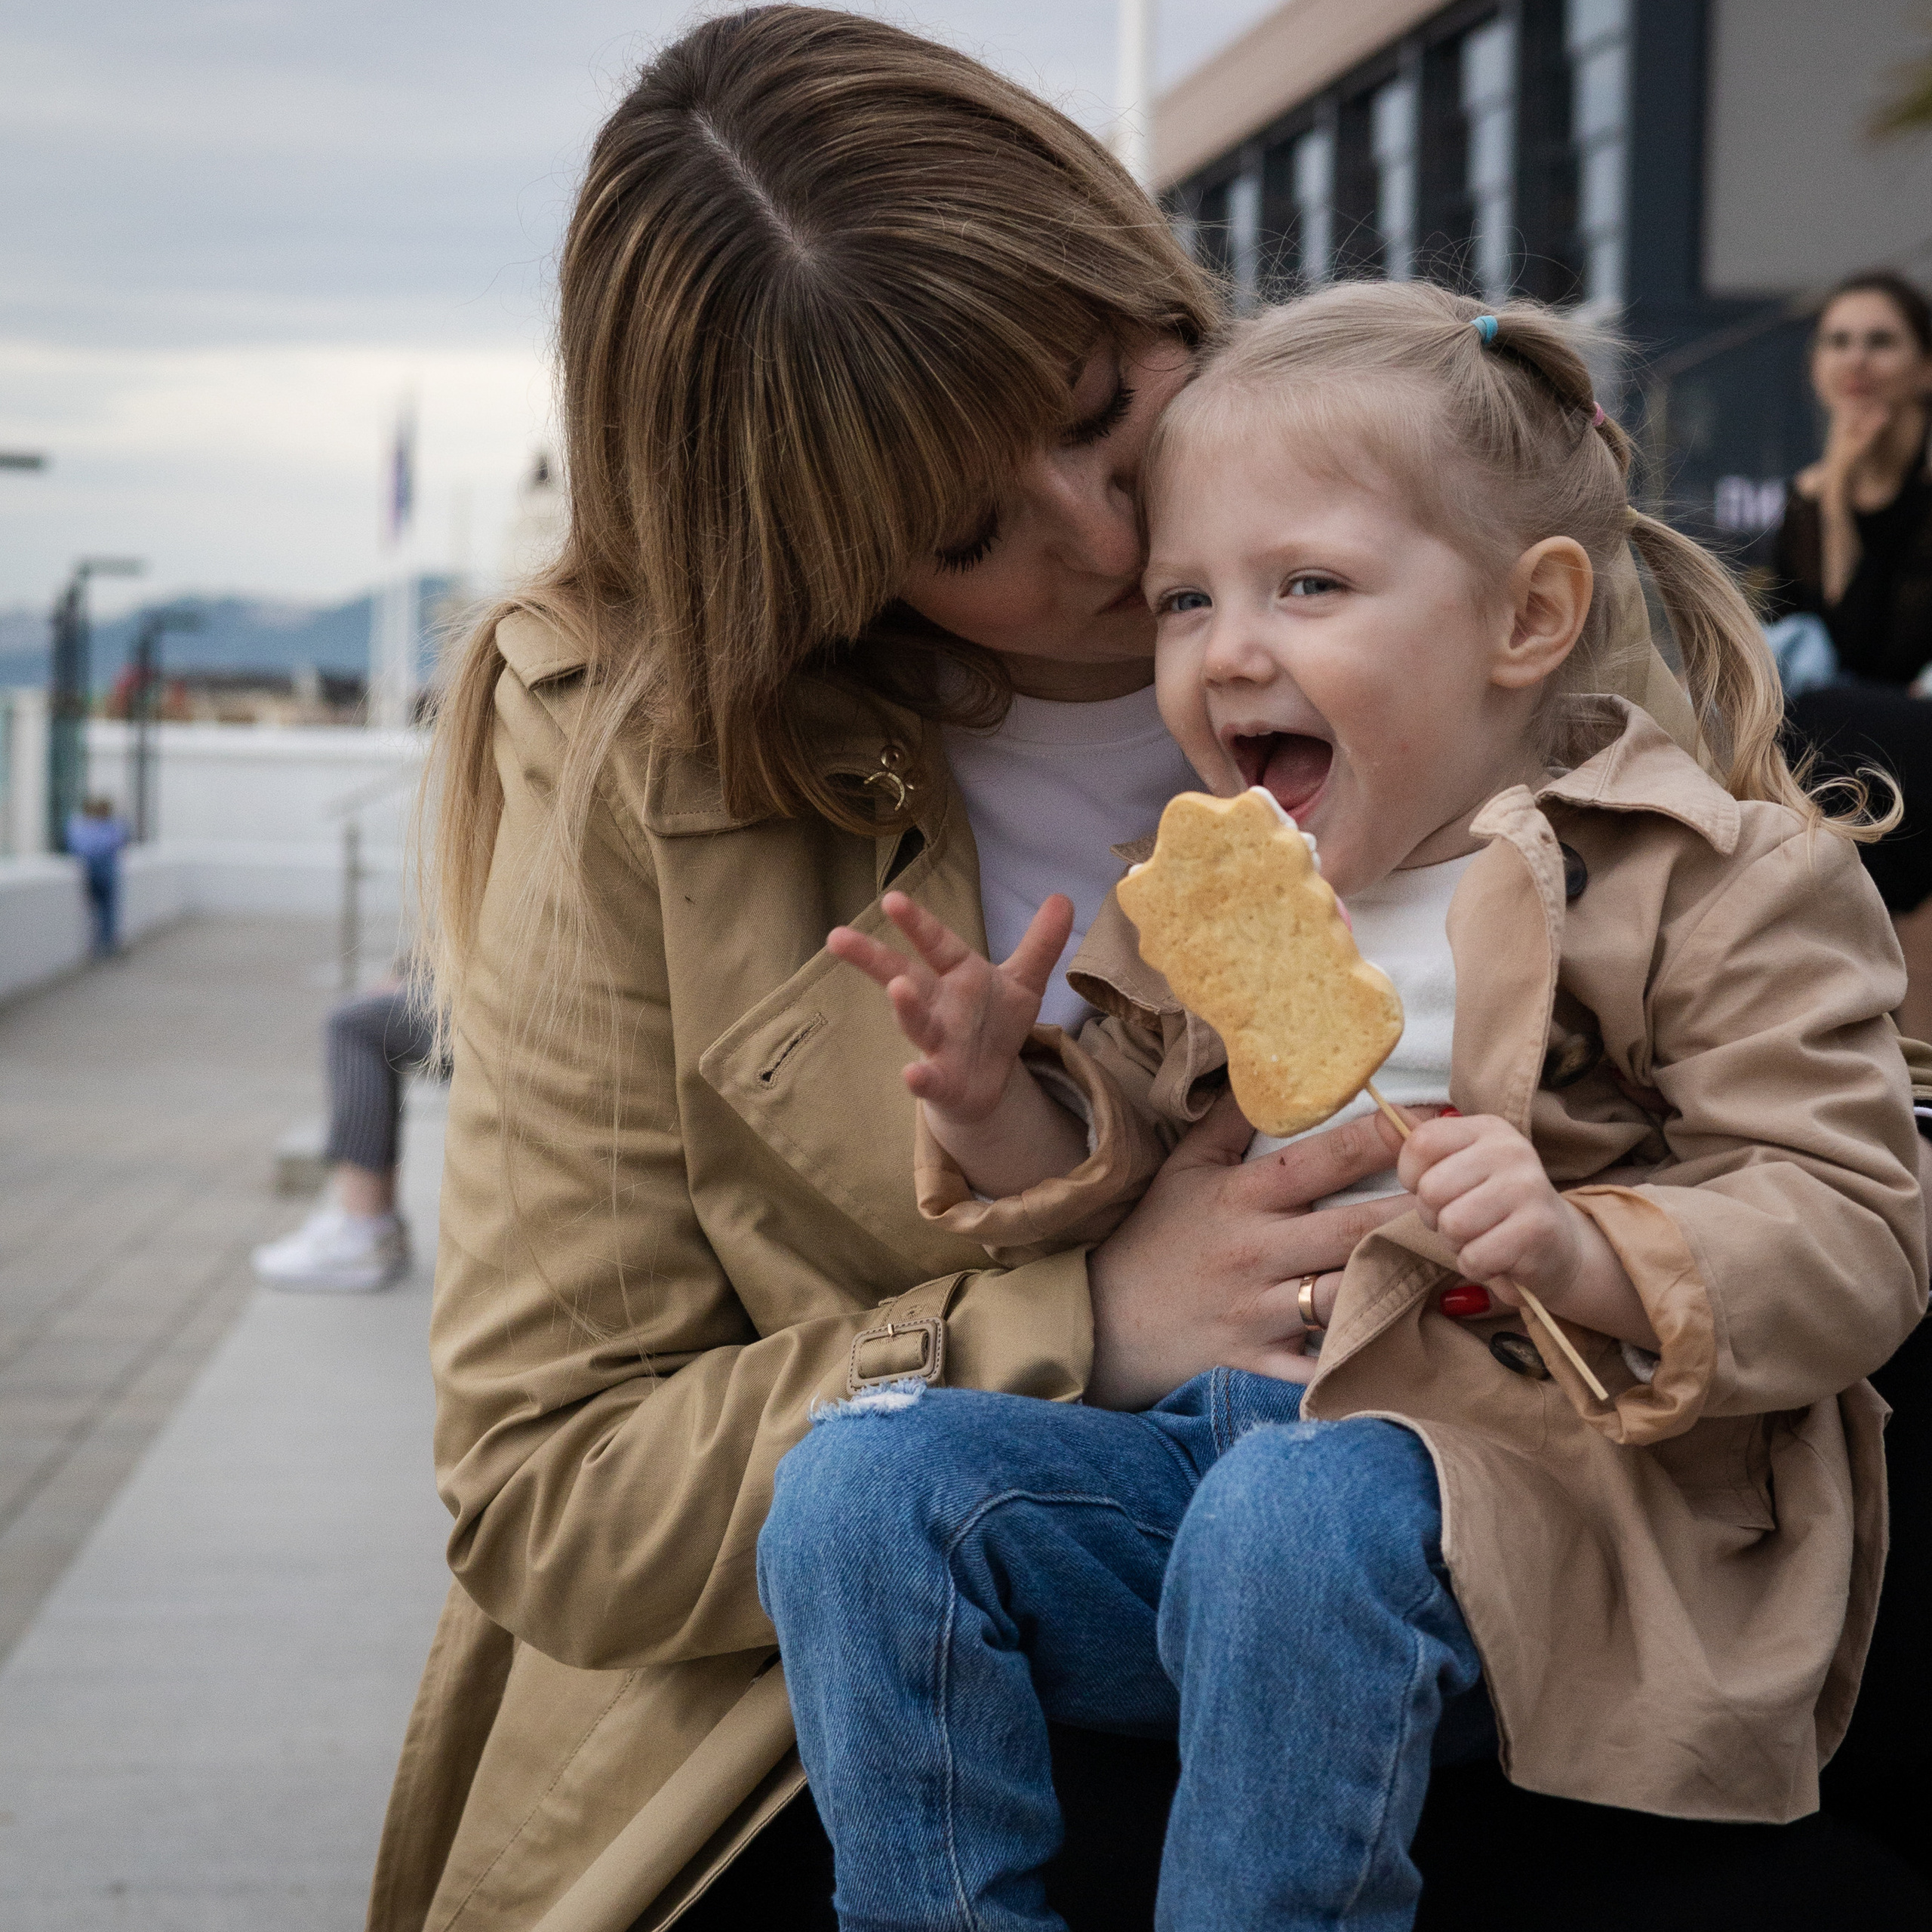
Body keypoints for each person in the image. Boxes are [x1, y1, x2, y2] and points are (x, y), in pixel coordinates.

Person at [363, 14, 1931, 1930]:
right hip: (931, 1642)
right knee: (899, 1497)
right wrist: (1070, 1277)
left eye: (1107, 405)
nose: (1111, 543)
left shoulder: (1438, 524)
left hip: (1526, 1531)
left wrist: (1592, 1243)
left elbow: (1807, 1176)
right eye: (963, 529)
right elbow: (552, 1482)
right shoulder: (641, 747)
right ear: (815, 562)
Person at [759, 285, 1926, 1928]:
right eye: (1185, 598)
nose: (1229, 647)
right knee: (859, 1479)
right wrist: (991, 1102)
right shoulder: (1216, 899)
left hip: (1555, 1521)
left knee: (1290, 1510)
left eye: (1306, 585)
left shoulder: (1707, 883)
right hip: (1219, 1483)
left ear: (1527, 617)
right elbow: (1132, 1172)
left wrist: (1586, 1245)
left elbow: (1854, 1230)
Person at [1768, 270, 1932, 1033]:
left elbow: (1887, 647)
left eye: (1880, 341)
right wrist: (1835, 499)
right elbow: (1819, 640)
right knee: (1804, 729)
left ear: (1924, 367)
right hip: (1855, 736)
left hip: (1910, 725)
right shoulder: (1809, 496)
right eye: (1838, 341)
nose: (1856, 359)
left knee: (1818, 725)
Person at [251, 976, 439, 1293]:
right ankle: (376, 1229)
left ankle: (363, 1230)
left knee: (354, 1025)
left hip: (509, 1016)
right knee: (371, 1011)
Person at [65, 794, 128, 956]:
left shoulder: (102, 826)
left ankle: (106, 945)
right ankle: (101, 945)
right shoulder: (87, 826)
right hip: (97, 871)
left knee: (106, 910)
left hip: (102, 871)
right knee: (100, 910)